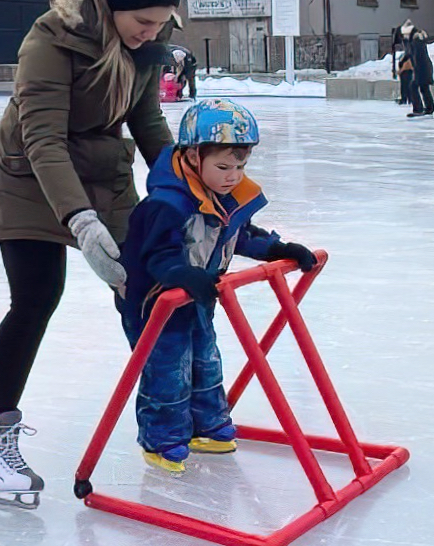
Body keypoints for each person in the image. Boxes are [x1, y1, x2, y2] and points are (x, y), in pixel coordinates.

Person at [0, 0, 181, 509]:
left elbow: (149, 123)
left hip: (102, 172)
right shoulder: (50, 40)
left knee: (149, 282)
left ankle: (171, 409)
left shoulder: (144, 48)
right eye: (143, 22)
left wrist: (189, 188)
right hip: (28, 178)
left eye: (161, 24)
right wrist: (81, 223)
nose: (150, 33)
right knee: (37, 295)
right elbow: (42, 140)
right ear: (111, 6)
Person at [117, 98, 319, 473]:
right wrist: (183, 274)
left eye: (241, 166)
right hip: (153, 305)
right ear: (193, 157)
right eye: (224, 166)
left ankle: (206, 425)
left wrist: (278, 248)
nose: (234, 176)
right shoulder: (168, 204)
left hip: (195, 298)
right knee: (169, 368)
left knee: (205, 361)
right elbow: (157, 256)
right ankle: (162, 440)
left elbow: (239, 236)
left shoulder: (220, 197)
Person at [400, 21, 434, 118]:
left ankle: (418, 109)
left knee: (413, 86)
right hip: (424, 67)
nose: (405, 37)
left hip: (421, 68)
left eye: (406, 34)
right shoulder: (418, 39)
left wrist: (415, 69)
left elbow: (416, 56)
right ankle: (429, 107)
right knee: (424, 88)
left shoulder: (416, 41)